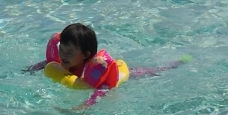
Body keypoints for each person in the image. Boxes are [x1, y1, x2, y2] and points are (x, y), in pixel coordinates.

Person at [28, 23, 186, 106]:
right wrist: (33, 69)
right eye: (61, 50)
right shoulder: (61, 61)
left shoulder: (90, 71)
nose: (62, 55)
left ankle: (175, 64)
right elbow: (48, 63)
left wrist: (86, 105)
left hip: (117, 74)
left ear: (86, 55)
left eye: (69, 53)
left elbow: (102, 89)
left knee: (149, 73)